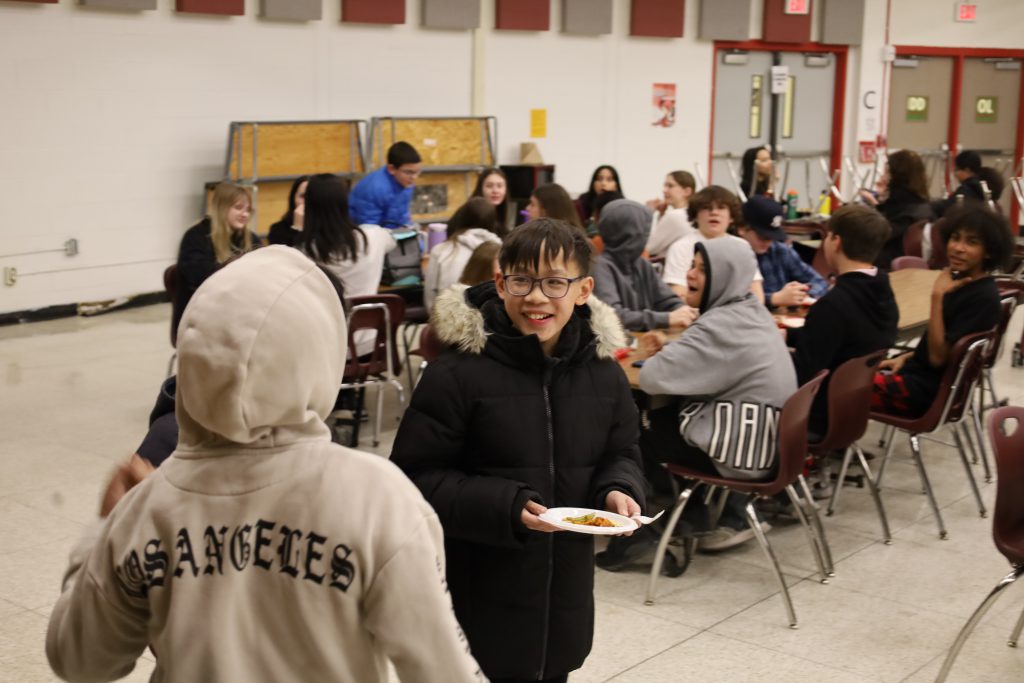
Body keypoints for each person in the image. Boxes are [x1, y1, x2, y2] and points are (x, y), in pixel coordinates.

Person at [46, 246, 486, 683]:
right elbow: (443, 670)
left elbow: (80, 661)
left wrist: (102, 528)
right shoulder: (377, 498)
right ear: (321, 352)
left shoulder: (144, 508)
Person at [390, 218, 646, 683]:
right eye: (521, 280)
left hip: (564, 594)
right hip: (479, 593)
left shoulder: (603, 374)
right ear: (500, 282)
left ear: (583, 289)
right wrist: (505, 505)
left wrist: (618, 488)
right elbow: (413, 480)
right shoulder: (457, 374)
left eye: (554, 282)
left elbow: (622, 450)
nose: (535, 297)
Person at [633, 238, 796, 551]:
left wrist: (668, 354)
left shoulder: (720, 325)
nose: (690, 275)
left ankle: (656, 523)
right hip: (772, 442)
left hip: (744, 454)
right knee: (665, 413)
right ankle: (690, 513)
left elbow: (652, 378)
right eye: (692, 266)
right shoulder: (750, 310)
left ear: (726, 276)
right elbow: (715, 362)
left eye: (702, 270)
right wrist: (675, 351)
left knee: (637, 419)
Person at [872, 205, 1014, 417]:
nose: (958, 247)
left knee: (839, 385)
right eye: (955, 238)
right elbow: (952, 348)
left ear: (990, 251)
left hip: (922, 394)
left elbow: (939, 358)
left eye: (971, 242)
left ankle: (832, 445)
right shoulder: (966, 285)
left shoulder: (982, 298)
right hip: (919, 380)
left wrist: (937, 297)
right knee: (845, 375)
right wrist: (909, 357)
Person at [789, 204, 898, 438]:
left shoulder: (832, 305)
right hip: (853, 409)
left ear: (835, 241)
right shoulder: (882, 290)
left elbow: (803, 373)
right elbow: (846, 336)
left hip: (815, 416)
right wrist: (789, 336)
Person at [299, 173, 396, 356]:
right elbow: (396, 239)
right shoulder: (373, 237)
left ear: (309, 207)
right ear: (345, 203)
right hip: (369, 346)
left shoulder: (304, 252)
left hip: (324, 352)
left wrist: (296, 229)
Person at [172, 182, 260, 338]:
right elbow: (200, 279)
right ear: (222, 207)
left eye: (248, 210)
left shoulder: (251, 239)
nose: (245, 214)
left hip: (240, 316)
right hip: (201, 321)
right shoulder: (196, 237)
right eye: (238, 208)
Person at [592, 199, 693, 331]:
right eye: (645, 231)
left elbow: (666, 300)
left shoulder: (642, 264)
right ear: (632, 234)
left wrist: (683, 311)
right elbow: (612, 316)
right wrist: (666, 318)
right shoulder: (600, 267)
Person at [662, 185, 765, 304]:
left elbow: (756, 294)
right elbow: (679, 296)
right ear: (695, 215)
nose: (714, 213)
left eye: (721, 208)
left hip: (738, 314)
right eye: (707, 208)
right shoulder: (680, 247)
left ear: (731, 217)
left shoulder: (742, 246)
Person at [738, 196, 829, 307]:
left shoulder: (781, 251)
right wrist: (774, 298)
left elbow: (819, 281)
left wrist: (803, 294)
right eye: (763, 237)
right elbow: (731, 301)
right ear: (742, 228)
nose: (768, 242)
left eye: (772, 237)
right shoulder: (729, 256)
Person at [424, 197, 502, 310]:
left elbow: (429, 299)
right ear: (493, 222)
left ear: (462, 217)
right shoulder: (503, 251)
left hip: (446, 321)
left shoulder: (440, 250)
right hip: (491, 322)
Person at [858, 150, 933, 269]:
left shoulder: (900, 207)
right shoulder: (921, 204)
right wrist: (876, 204)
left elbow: (879, 235)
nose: (883, 178)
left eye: (887, 172)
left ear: (896, 176)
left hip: (886, 266)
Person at [348, 141, 422, 228]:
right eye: (409, 172)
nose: (414, 177)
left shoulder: (406, 182)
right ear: (391, 169)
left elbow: (403, 215)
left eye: (417, 172)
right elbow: (369, 229)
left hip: (392, 232)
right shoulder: (373, 189)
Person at [646, 170, 697, 257]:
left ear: (687, 191)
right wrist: (661, 215)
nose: (664, 190)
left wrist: (647, 212)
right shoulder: (692, 213)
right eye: (665, 186)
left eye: (670, 186)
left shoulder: (675, 216)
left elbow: (648, 248)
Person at [932, 150, 986, 218]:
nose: (955, 174)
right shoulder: (981, 186)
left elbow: (948, 207)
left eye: (957, 170)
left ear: (967, 170)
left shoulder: (967, 189)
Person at [267, 175, 309, 247]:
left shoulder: (326, 229)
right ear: (293, 198)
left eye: (311, 196)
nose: (308, 201)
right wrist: (297, 229)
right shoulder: (278, 230)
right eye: (303, 196)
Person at [471, 167, 510, 232]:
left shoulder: (501, 221)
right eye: (489, 186)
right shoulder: (472, 218)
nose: (495, 191)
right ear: (480, 189)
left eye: (500, 186)